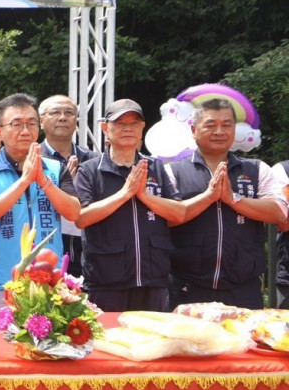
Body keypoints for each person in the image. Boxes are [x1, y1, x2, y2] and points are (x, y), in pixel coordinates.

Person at [74, 99, 216, 312]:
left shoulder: (155, 167)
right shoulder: (90, 170)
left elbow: (178, 213)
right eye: (121, 123)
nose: (128, 128)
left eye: (134, 123)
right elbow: (81, 217)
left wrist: (145, 197)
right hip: (106, 282)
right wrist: (125, 194)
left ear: (142, 128)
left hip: (153, 281)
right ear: (105, 128)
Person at [165, 98, 287, 308]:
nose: (219, 131)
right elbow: (167, 218)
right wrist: (209, 197)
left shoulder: (257, 169)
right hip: (188, 287)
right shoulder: (172, 171)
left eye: (227, 125)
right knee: (189, 342)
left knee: (245, 342)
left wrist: (233, 199)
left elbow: (279, 213)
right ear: (194, 130)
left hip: (244, 289)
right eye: (211, 125)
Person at [0, 94, 81, 312]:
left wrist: (43, 181)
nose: (25, 130)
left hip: (49, 278)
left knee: (47, 341)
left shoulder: (56, 169)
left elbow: (74, 212)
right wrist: (24, 181)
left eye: (31, 124)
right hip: (1, 279)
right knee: (0, 343)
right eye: (16, 124)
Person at [39, 94, 98, 276]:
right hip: (43, 255)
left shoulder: (94, 160)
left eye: (69, 113)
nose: (63, 117)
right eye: (55, 112)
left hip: (89, 255)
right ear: (41, 121)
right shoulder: (32, 160)